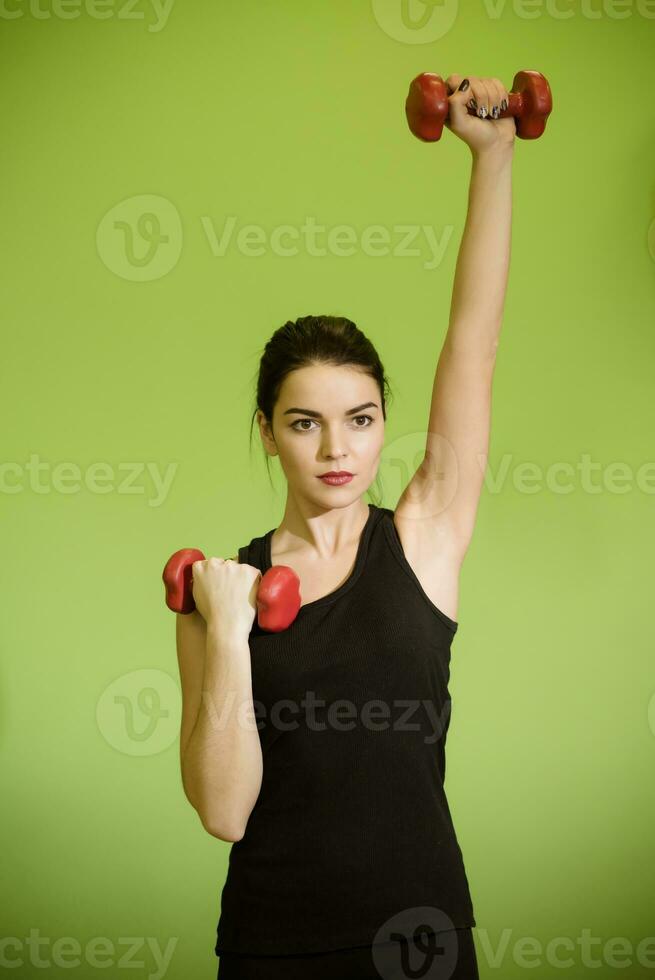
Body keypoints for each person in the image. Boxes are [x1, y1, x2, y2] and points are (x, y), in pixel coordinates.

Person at [177, 74, 516, 980]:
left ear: (381, 424)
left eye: (360, 418)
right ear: (267, 432)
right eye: (304, 421)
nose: (337, 448)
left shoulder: (423, 536)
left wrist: (492, 156)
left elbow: (472, 339)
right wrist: (231, 629)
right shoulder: (218, 590)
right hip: (271, 943)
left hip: (422, 939)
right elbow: (224, 811)